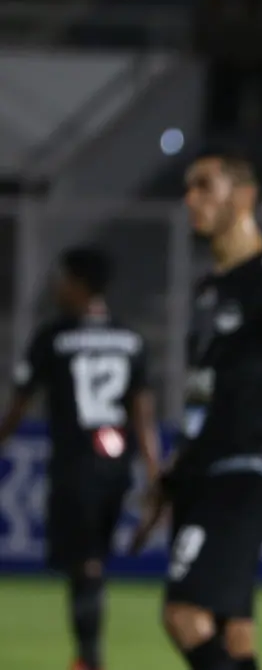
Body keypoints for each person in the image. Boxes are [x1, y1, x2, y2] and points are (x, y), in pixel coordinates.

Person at [132, 153, 262, 670]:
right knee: (234, 630)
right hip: (202, 471)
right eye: (189, 188)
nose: (190, 198)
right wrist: (173, 474)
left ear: (243, 197)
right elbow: (202, 394)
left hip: (243, 472)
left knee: (184, 612)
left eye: (203, 187)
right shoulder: (211, 287)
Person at [0, 247, 159, 670]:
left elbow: (19, 403)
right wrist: (152, 470)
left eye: (63, 278)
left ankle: (89, 659)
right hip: (117, 469)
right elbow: (142, 412)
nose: (57, 286)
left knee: (83, 564)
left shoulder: (53, 337)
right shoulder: (131, 338)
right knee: (91, 561)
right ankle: (88, 655)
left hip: (75, 467)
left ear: (80, 284)